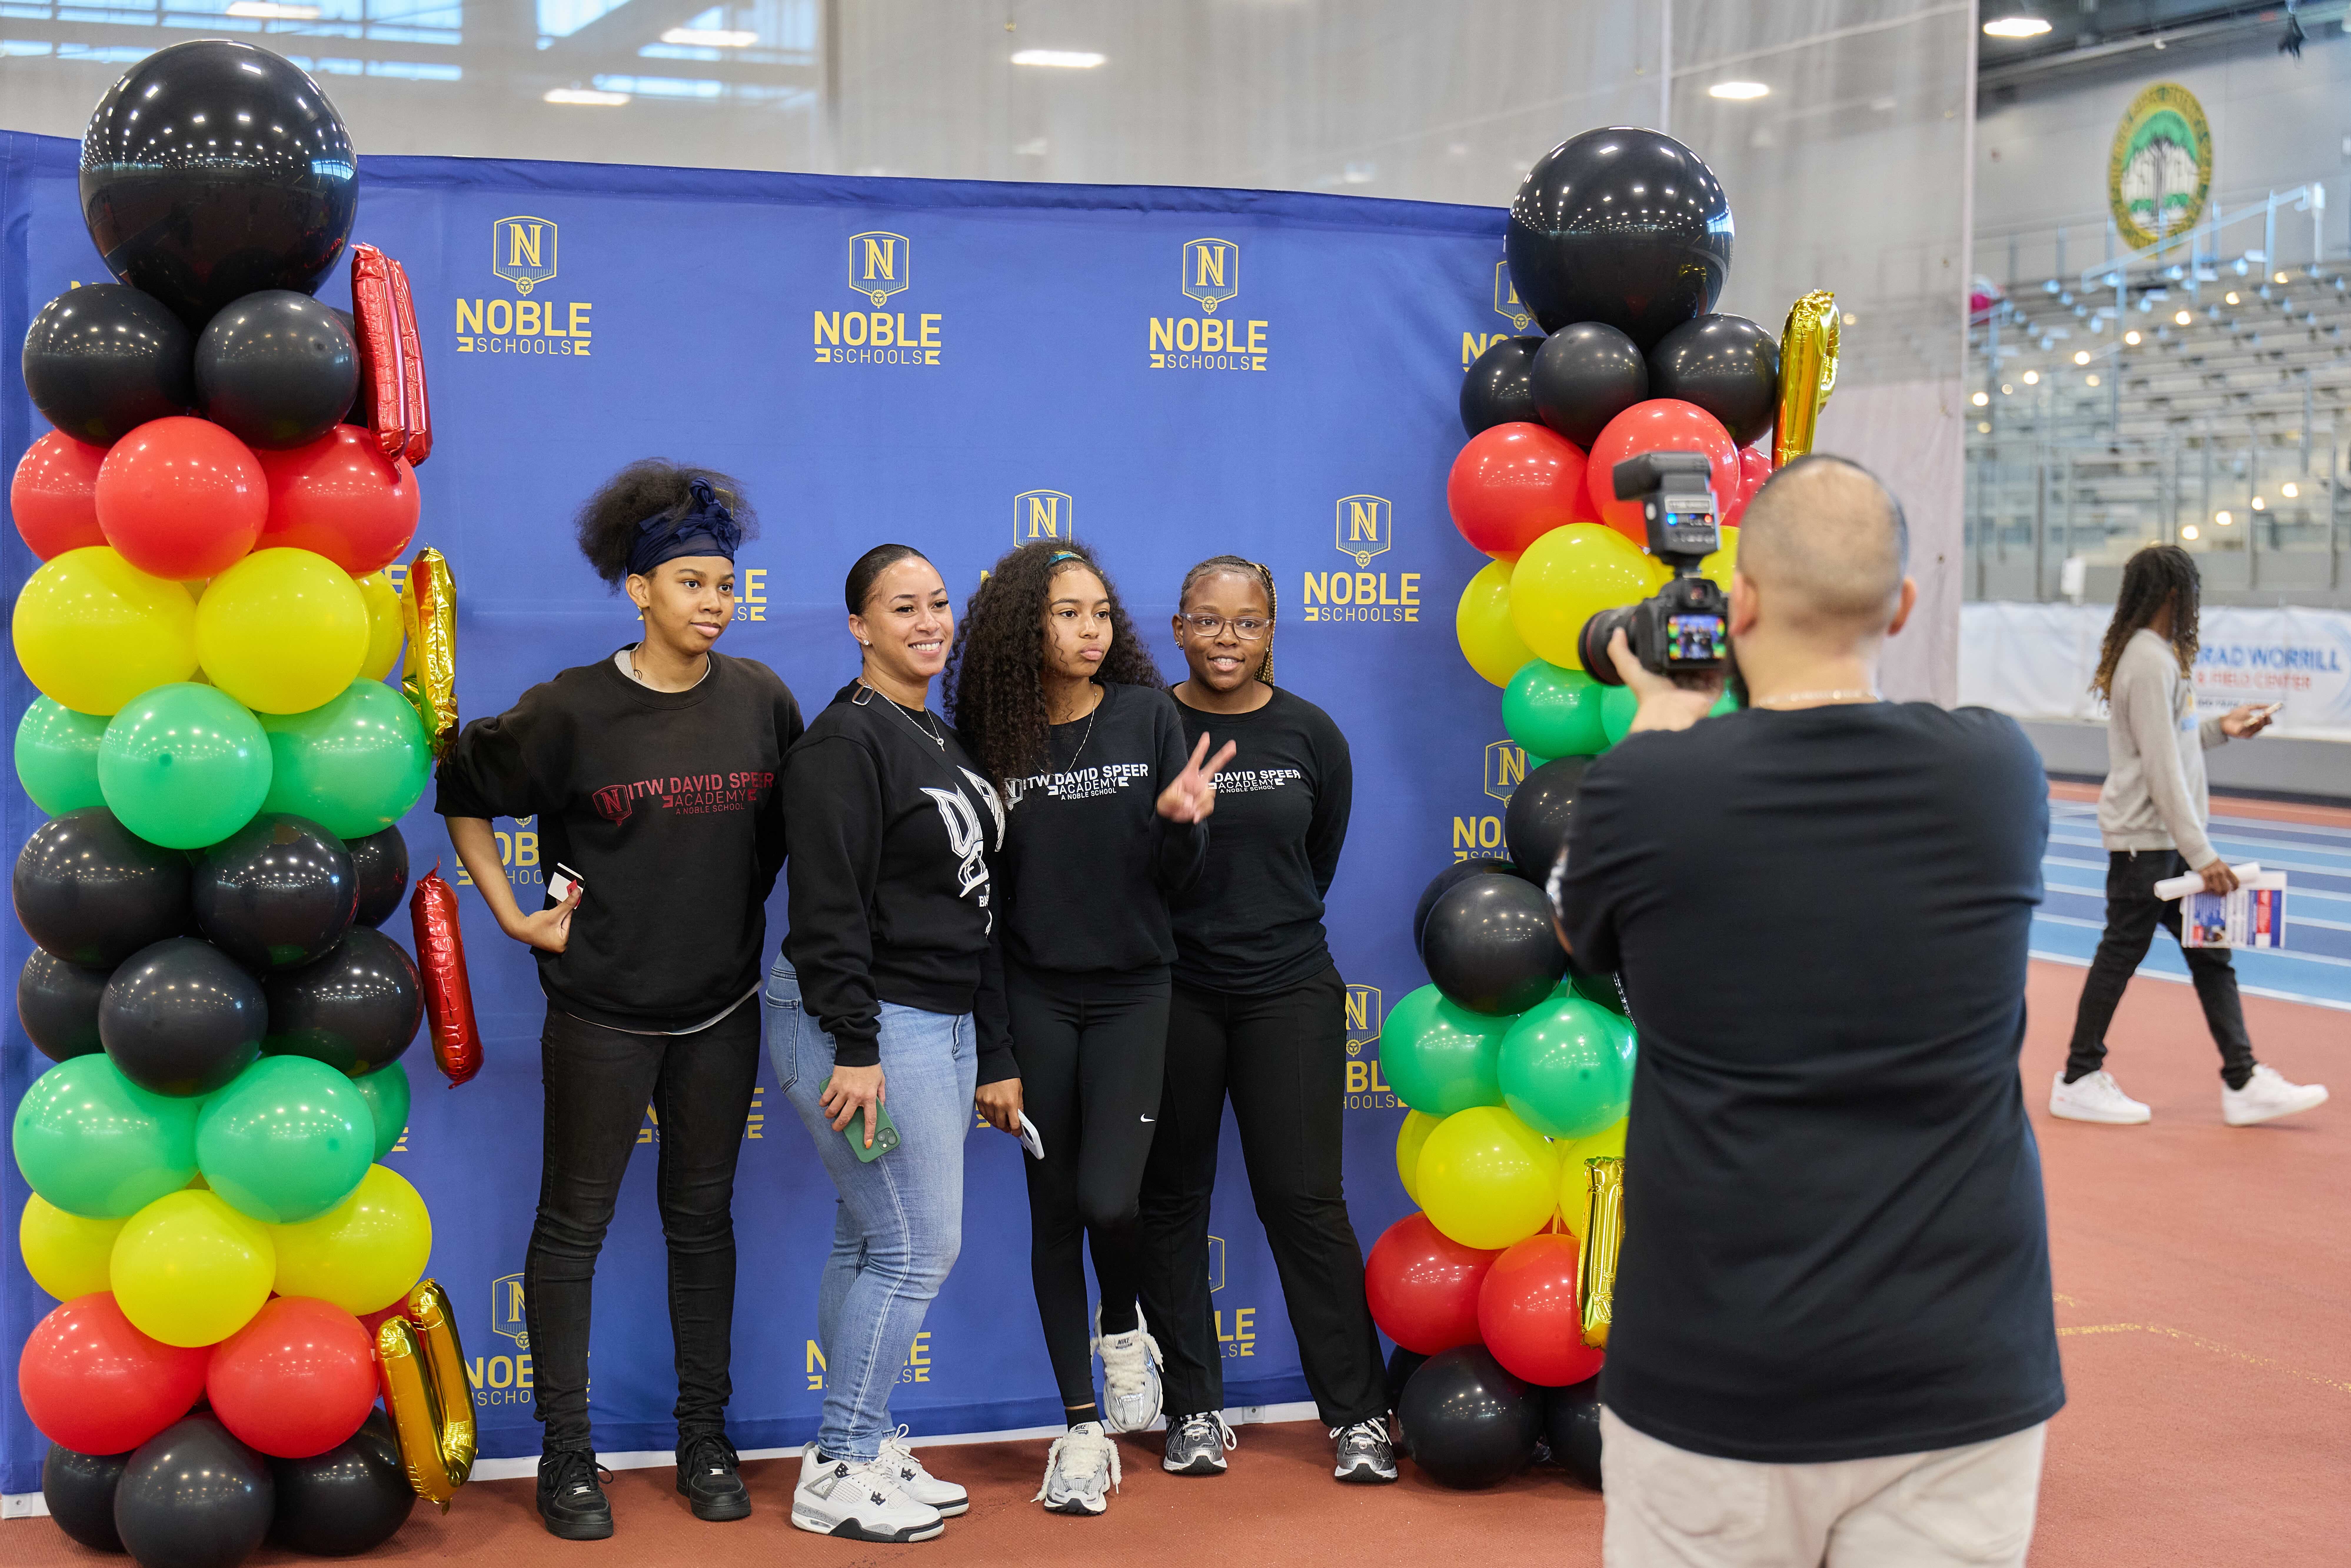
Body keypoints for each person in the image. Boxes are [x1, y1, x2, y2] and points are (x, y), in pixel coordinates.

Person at [1555, 456, 2064, 1568]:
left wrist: (1665, 717)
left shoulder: (1651, 788)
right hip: (1961, 1365)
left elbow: (1575, 932)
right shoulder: (1998, 772)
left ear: (1739, 605)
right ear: (1904, 605)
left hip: (1717, 1370)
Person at [435, 462, 802, 1542]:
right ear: (639, 591)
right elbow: (461, 784)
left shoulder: (762, 700)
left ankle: (704, 1440)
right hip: (599, 1011)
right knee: (576, 1226)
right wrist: (508, 910)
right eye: (691, 584)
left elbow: (788, 845)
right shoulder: (570, 709)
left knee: (702, 1223)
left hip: (721, 1010)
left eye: (726, 586)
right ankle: (567, 1458)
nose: (713, 604)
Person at [945, 538, 1231, 1517]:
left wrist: (1184, 824)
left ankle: (1123, 1323)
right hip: (1034, 996)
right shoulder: (989, 738)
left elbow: (1179, 886)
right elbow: (979, 910)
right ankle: (1079, 1428)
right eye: (1069, 613)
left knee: (1113, 1202)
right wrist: (994, 1049)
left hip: (1133, 992)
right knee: (1051, 1211)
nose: (1090, 630)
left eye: (1102, 613)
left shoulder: (1151, 716)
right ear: (1025, 624)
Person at [767, 545, 1012, 1543]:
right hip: (863, 1021)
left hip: (938, 1018)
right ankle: (841, 1463)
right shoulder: (843, 744)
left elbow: (975, 907)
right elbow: (827, 907)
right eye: (901, 607)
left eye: (939, 604)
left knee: (869, 1235)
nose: (927, 621)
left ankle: (863, 1442)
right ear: (860, 627)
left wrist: (991, 1049)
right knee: (916, 1246)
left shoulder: (935, 736)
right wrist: (855, 1044)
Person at [1134, 556, 1393, 1484]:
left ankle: (1358, 1417)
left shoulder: (1310, 734)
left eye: (1245, 624)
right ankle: (1193, 1409)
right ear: (1177, 626)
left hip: (1287, 990)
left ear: (1272, 629)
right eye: (1207, 622)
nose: (1226, 641)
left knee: (1306, 1203)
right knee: (1169, 1204)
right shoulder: (1146, 725)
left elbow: (1313, 867)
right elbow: (1135, 868)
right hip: (1172, 995)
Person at [2052, 543, 2326, 1127]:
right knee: (2121, 955)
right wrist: (2203, 855)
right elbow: (2160, 769)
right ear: (2175, 594)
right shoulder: (2149, 662)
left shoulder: (2156, 658)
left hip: (2163, 840)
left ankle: (2243, 1078)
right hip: (2146, 842)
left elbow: (2172, 746)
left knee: (2210, 957)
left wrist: (2220, 730)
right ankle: (2078, 1076)